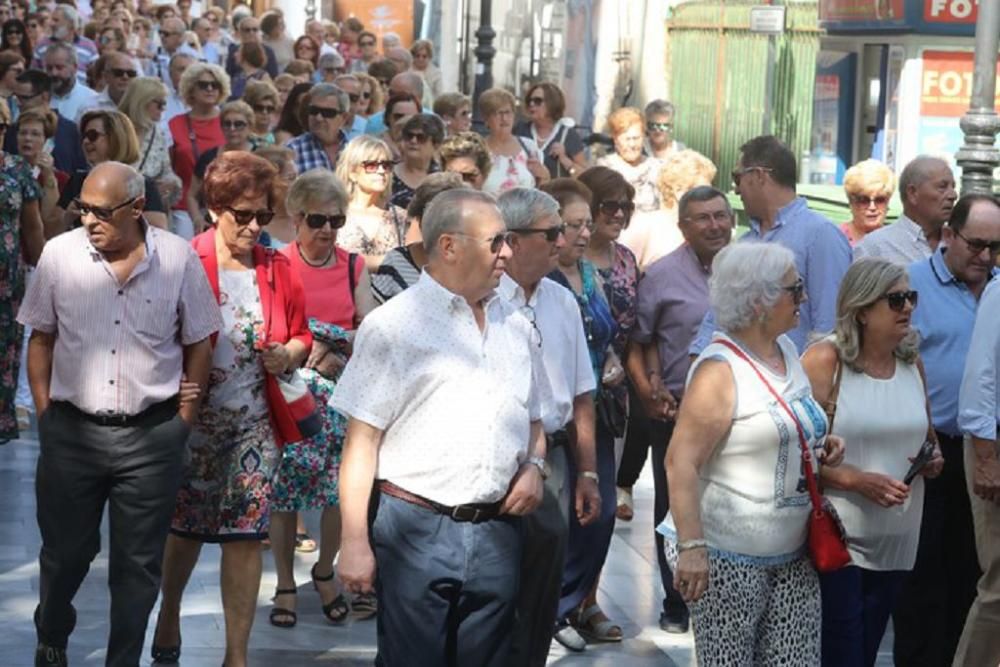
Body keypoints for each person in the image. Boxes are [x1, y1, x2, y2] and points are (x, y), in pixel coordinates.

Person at [17, 161, 219, 667]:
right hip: (72, 432)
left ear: (134, 209)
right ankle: (53, 633)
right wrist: (46, 416)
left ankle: (122, 659)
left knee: (137, 565)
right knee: (65, 555)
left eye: (102, 211)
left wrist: (184, 419)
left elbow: (200, 339)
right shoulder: (60, 257)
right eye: (83, 207)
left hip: (151, 437)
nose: (89, 220)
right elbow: (39, 339)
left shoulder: (176, 258)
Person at [333, 188, 547, 667]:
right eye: (496, 242)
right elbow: (361, 443)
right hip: (416, 530)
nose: (508, 253)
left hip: (498, 530)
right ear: (449, 246)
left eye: (508, 240)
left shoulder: (516, 324)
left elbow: (535, 417)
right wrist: (353, 543)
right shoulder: (394, 326)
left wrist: (535, 465)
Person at [154, 151, 310, 667]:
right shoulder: (183, 259)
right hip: (192, 422)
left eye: (263, 216)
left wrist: (289, 352)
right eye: (242, 215)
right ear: (215, 208)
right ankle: (170, 609)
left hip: (256, 423)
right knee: (185, 528)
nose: (253, 227)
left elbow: (302, 335)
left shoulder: (279, 266)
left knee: (246, 536)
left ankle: (236, 656)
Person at [662, 241, 845, 666]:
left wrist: (819, 443)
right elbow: (680, 461)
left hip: (792, 550)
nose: (804, 297)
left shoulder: (786, 353)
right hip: (726, 555)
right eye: (794, 289)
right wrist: (692, 547)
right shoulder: (719, 370)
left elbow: (785, 423)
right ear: (760, 302)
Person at [802, 258, 942, 667]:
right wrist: (853, 479)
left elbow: (927, 437)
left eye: (910, 297)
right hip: (839, 538)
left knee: (865, 649)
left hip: (897, 538)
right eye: (895, 299)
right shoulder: (826, 360)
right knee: (843, 652)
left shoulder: (911, 363)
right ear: (862, 310)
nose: (908, 308)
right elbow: (793, 455)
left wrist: (930, 460)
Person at [269, 168, 377, 629]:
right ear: (296, 218)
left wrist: (330, 344)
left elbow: (371, 328)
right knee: (283, 491)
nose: (328, 230)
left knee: (340, 489)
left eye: (336, 220)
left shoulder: (353, 265)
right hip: (290, 388)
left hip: (342, 388)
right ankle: (284, 584)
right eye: (318, 220)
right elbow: (270, 328)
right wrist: (308, 346)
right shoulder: (278, 263)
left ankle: (325, 570)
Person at [896, 194, 1000, 666]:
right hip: (931, 452)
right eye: (977, 244)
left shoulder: (997, 284)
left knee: (975, 578)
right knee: (922, 582)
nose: (986, 256)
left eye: (996, 247)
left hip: (986, 452)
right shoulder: (910, 287)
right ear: (948, 235)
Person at [500, 184, 602, 664]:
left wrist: (587, 472)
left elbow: (583, 393)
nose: (562, 241)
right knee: (495, 584)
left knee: (543, 586)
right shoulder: (485, 298)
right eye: (552, 232)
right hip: (497, 454)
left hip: (556, 462)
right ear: (514, 240)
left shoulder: (562, 301)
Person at [629, 185, 733, 634]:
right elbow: (640, 339)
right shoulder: (662, 275)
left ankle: (723, 591)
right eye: (702, 218)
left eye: (720, 215)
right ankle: (676, 600)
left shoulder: (748, 267)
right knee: (673, 505)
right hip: (677, 409)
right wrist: (650, 389)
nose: (714, 225)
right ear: (683, 227)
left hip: (738, 408)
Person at [692, 135, 852, 354]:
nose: (736, 190)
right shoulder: (745, 243)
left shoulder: (821, 236)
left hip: (796, 382)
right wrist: (698, 361)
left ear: (759, 175)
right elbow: (717, 317)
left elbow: (831, 329)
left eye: (738, 177)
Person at [955, 252, 1000, 666]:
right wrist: (987, 459)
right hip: (994, 446)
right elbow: (979, 379)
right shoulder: (999, 293)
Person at [0, 96, 43, 445]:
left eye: (1, 127)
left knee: (5, 350)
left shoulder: (17, 170)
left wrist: (43, 271)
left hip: (7, 281)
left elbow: (32, 227)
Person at [56, 109, 169, 231]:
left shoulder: (142, 185)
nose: (85, 141)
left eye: (92, 135)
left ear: (115, 137)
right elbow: (50, 233)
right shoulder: (77, 181)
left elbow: (157, 233)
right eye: (83, 136)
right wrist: (68, 217)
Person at [371, 172, 467, 303]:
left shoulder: (468, 262)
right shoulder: (396, 261)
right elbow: (375, 312)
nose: (439, 224)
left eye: (450, 217)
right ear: (419, 217)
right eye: (431, 216)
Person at [619, 148, 716, 271]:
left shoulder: (707, 229)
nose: (709, 197)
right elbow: (622, 272)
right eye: (703, 191)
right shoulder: (646, 225)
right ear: (679, 191)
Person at [854, 155, 956, 264]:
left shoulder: (959, 244)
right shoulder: (875, 248)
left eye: (953, 187)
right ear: (912, 193)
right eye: (942, 187)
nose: (953, 195)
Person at [169, 62, 227, 239]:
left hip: (224, 208)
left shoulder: (230, 123)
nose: (210, 89)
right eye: (203, 85)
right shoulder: (175, 124)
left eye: (215, 84)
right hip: (184, 208)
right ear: (190, 89)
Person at [336, 134, 408, 270]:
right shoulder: (334, 215)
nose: (381, 171)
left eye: (386, 165)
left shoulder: (401, 217)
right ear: (352, 173)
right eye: (371, 165)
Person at [186, 100, 256, 231]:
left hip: (250, 226)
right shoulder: (209, 157)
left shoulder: (260, 156)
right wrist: (197, 218)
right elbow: (192, 195)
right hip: (213, 226)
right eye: (227, 124)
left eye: (239, 124)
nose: (232, 129)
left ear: (250, 127)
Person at [7, 69, 87, 175]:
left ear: (44, 97)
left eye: (24, 98)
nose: (18, 103)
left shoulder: (71, 131)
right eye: (15, 97)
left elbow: (79, 170)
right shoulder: (12, 131)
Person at [118, 76, 181, 208]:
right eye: (159, 104)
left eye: (165, 104)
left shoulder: (157, 133)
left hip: (149, 208)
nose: (163, 109)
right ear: (142, 102)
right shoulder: (114, 129)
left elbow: (166, 170)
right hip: (117, 205)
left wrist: (170, 184)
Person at [479, 87, 548, 195]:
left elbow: (541, 190)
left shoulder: (529, 147)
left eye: (508, 112)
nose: (504, 118)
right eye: (498, 113)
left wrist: (545, 176)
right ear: (486, 119)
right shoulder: (478, 150)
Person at [514, 82, 586, 179]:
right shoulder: (520, 130)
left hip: (555, 193)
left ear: (552, 103)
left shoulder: (568, 136)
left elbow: (583, 176)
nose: (531, 104)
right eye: (529, 101)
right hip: (521, 192)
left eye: (537, 101)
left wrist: (565, 160)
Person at [596, 107, 661, 213]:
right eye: (627, 139)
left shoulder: (657, 167)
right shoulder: (604, 168)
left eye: (636, 138)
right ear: (615, 139)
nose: (632, 144)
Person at [14, 108, 62, 235]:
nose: (27, 138)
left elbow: (50, 220)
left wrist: (48, 175)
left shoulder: (61, 179)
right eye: (23, 133)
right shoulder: (7, 171)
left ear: (47, 141)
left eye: (35, 134)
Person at [285, 82, 348, 175]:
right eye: (314, 111)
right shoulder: (292, 151)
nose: (318, 118)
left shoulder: (356, 151)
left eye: (327, 113)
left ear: (343, 118)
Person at [390, 113, 443, 210]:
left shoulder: (443, 178)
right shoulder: (388, 174)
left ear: (435, 145)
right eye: (409, 136)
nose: (413, 141)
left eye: (421, 137)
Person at [840, 159, 895, 246]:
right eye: (863, 200)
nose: (872, 207)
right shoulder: (836, 238)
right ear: (851, 202)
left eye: (879, 200)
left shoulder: (897, 241)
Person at [32, 5, 97, 78]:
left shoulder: (89, 46)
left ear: (71, 23)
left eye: (56, 20)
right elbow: (34, 76)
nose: (51, 24)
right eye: (51, 20)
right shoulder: (41, 46)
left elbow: (96, 76)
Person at [43, 42, 98, 127]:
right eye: (49, 68)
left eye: (59, 67)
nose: (54, 73)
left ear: (75, 67)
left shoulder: (92, 100)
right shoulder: (38, 99)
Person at [363, 71, 429, 136]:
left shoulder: (432, 123)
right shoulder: (373, 123)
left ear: (419, 97)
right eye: (391, 93)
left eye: (403, 96)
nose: (394, 99)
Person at [224, 16, 278, 80]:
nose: (251, 33)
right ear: (240, 32)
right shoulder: (234, 50)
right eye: (247, 30)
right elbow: (229, 74)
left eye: (255, 29)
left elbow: (273, 75)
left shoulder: (268, 51)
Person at [273, 81, 311, 145]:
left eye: (307, 106)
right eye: (299, 105)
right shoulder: (285, 136)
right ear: (292, 108)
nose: (303, 111)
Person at [244, 79, 279, 145]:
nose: (264, 112)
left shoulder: (278, 137)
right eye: (259, 108)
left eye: (269, 109)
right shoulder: (239, 136)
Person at [333, 73, 367, 140]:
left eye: (352, 98)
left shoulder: (367, 128)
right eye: (342, 96)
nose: (347, 102)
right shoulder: (321, 125)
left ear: (359, 101)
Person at [408, 39, 440, 103]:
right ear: (413, 56)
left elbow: (439, 95)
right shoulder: (407, 70)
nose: (420, 59)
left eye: (424, 56)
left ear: (429, 57)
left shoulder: (436, 73)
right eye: (417, 56)